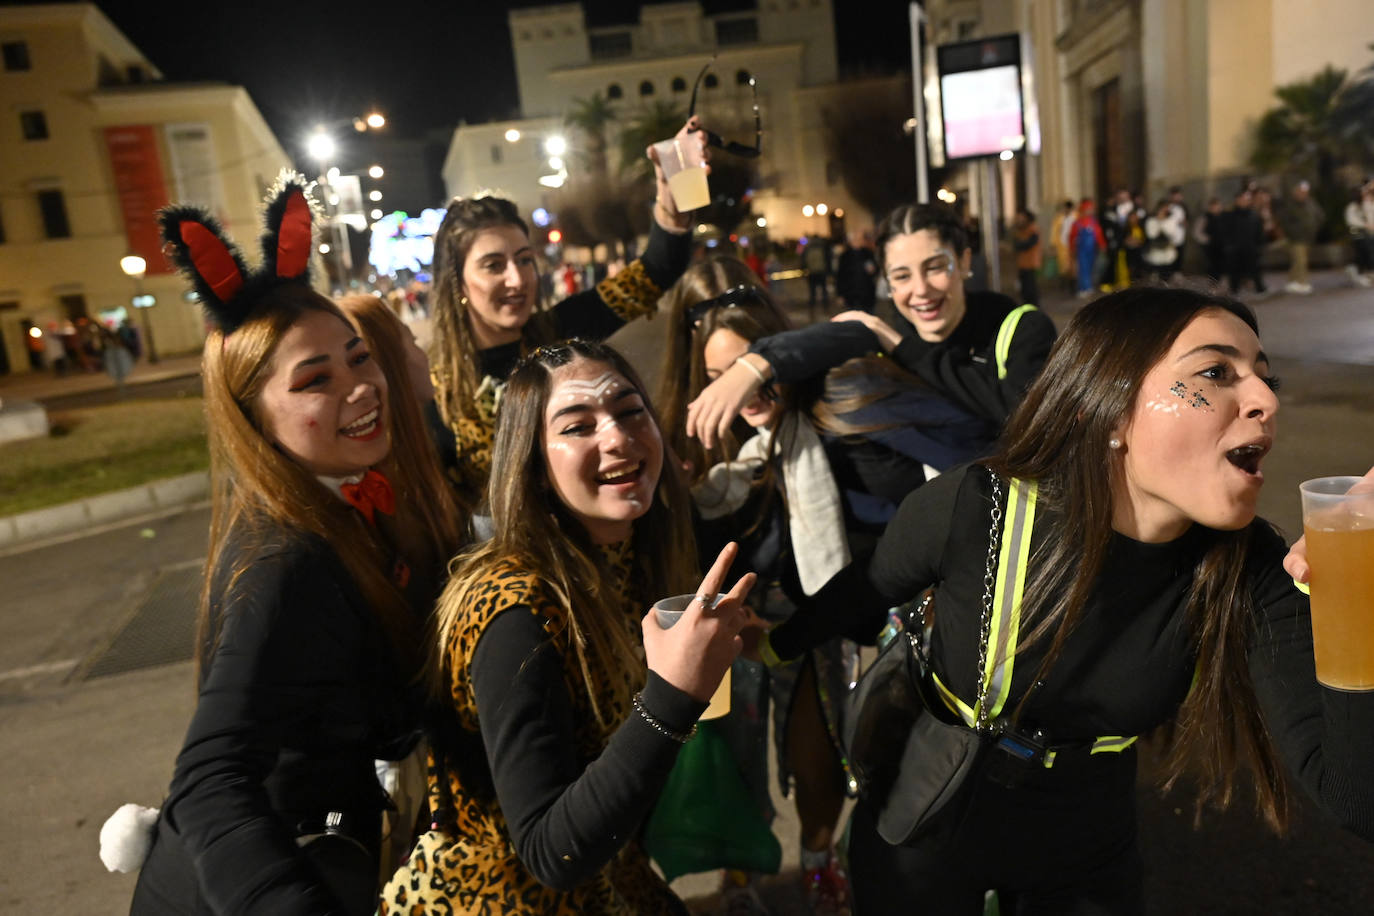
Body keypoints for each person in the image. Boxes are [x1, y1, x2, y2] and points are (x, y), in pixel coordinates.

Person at [842, 286, 1374, 913]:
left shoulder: (1250, 564)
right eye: (1215, 372)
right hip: (928, 831)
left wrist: (1355, 595)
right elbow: (854, 598)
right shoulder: (977, 507)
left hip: (1089, 859)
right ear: (1112, 409)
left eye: (1265, 377)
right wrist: (759, 643)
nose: (1264, 399)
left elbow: (1353, 798)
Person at [130, 175, 463, 915]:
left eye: (359, 357)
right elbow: (212, 780)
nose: (361, 387)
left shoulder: (358, 501)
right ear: (256, 419)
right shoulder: (286, 560)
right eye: (316, 379)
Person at [655, 257, 989, 914]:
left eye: (750, 368)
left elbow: (952, 466)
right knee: (742, 750)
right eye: (717, 377)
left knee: (838, 756)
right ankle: (746, 873)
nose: (738, 392)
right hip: (756, 612)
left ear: (779, 353)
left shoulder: (842, 402)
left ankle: (823, 870)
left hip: (848, 609)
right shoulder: (702, 435)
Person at [395, 338, 754, 915]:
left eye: (629, 411)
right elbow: (548, 851)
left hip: (612, 878)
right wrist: (673, 695)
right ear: (533, 466)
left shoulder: (629, 559)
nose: (617, 437)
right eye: (577, 426)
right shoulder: (512, 610)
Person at [428, 117, 702, 511]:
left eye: (524, 260)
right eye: (493, 265)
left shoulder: (560, 333)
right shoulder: (435, 386)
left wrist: (677, 184)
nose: (517, 279)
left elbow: (657, 269)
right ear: (457, 282)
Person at [684, 201, 1057, 450]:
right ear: (887, 282)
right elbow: (830, 337)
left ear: (963, 261)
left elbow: (1023, 417)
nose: (920, 290)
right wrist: (752, 366)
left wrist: (899, 345)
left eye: (934, 267)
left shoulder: (1023, 329)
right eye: (902, 276)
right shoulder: (886, 336)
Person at [1278, 180, 1322, 295]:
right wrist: (1294, 231)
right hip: (1296, 238)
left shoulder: (1311, 203)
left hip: (1309, 237)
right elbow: (1285, 222)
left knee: (1297, 261)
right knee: (1301, 260)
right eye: (1301, 192)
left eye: (1305, 192)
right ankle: (1303, 283)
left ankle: (1292, 282)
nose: (1303, 194)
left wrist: (1315, 227)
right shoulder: (1289, 205)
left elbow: (1320, 216)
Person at [1069, 199, 1106, 298]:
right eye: (1088, 209)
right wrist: (1072, 249)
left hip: (1092, 249)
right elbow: (1072, 237)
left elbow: (1099, 235)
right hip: (1081, 250)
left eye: (1091, 209)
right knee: (1083, 269)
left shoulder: (1093, 223)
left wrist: (1102, 245)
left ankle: (1088, 287)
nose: (1090, 211)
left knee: (1090, 268)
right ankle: (1083, 288)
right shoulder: (1077, 223)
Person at [1143, 199, 1185, 283]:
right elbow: (1151, 234)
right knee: (1154, 279)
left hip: (1168, 254)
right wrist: (1159, 221)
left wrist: (1162, 223)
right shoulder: (1151, 220)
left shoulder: (1171, 221)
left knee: (1167, 278)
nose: (1164, 210)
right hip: (1155, 254)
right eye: (1162, 208)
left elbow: (1171, 233)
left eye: (1166, 208)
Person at [835, 231, 878, 313]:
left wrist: (874, 269)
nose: (858, 241)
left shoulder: (868, 253)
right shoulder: (845, 256)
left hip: (867, 293)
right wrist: (840, 294)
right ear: (850, 241)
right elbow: (840, 276)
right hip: (851, 294)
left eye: (859, 239)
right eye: (856, 239)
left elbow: (875, 269)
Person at [1344, 180, 1374, 287]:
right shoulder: (1352, 207)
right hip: (1358, 234)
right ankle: (1359, 273)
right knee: (1363, 254)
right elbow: (1351, 220)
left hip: (1367, 234)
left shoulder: (1365, 205)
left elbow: (1370, 215)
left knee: (1367, 253)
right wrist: (1365, 225)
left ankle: (1363, 272)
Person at [1193, 196, 1227, 283]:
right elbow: (1197, 233)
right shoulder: (1204, 218)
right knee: (1212, 266)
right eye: (1214, 206)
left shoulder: (1224, 216)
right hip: (1210, 246)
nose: (1216, 208)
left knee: (1222, 264)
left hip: (1222, 245)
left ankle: (1220, 283)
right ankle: (1213, 284)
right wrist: (1207, 240)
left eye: (1218, 206)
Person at [1012, 208, 1041, 306]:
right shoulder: (1020, 230)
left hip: (1030, 264)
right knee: (1024, 290)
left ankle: (1034, 307)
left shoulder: (1033, 230)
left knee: (1030, 289)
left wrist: (1020, 245)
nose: (1019, 220)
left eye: (1021, 218)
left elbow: (1027, 244)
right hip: (1022, 264)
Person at [803, 237, 832, 312]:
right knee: (824, 290)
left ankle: (812, 306)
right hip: (821, 272)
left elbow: (804, 261)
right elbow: (828, 260)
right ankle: (825, 305)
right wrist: (829, 271)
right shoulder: (822, 248)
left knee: (812, 291)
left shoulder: (808, 248)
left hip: (812, 273)